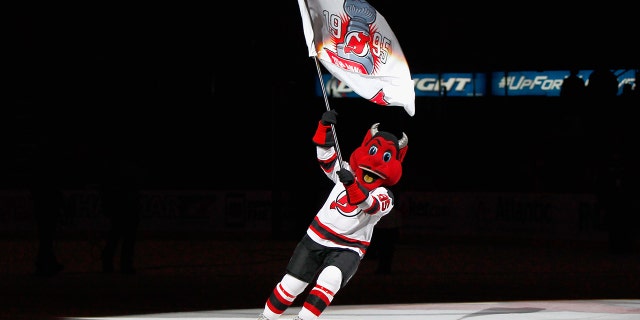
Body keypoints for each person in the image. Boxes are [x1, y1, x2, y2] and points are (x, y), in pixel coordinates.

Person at [257, 109, 409, 320]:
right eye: (373, 151)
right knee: (292, 284)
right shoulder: (347, 171)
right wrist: (324, 128)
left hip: (349, 247)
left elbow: (369, 205)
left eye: (385, 157)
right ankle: (266, 317)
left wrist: (351, 184)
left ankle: (304, 319)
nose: (374, 163)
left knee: (331, 278)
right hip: (316, 237)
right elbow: (326, 158)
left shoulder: (385, 195)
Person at [99, 151, 142, 274]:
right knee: (123, 238)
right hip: (125, 208)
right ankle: (123, 265)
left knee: (117, 237)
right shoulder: (126, 170)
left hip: (121, 208)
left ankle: (112, 264)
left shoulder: (113, 169)